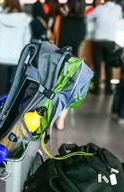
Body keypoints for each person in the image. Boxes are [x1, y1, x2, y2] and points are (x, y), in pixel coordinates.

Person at [49, 0, 86, 130]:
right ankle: (61, 121)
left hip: (58, 59)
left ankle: (49, 117)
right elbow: (79, 40)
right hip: (73, 62)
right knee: (68, 92)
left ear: (70, 6)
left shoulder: (60, 20)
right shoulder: (82, 24)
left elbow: (52, 36)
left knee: (53, 89)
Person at [0, 0, 31, 98]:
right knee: (15, 88)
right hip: (18, 58)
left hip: (1, 57)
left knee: (2, 87)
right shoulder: (24, 18)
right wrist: (26, 59)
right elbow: (26, 40)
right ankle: (11, 112)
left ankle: (1, 110)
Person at [87, 0, 123, 95]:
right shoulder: (118, 9)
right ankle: (108, 89)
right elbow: (120, 19)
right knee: (108, 66)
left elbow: (88, 18)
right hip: (110, 41)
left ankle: (96, 89)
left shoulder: (99, 8)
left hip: (98, 41)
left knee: (97, 66)